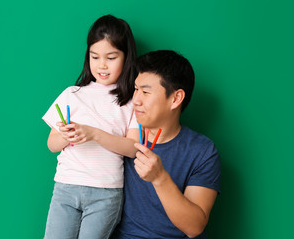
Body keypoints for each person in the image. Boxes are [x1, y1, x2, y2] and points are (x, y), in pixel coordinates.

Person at [42, 15, 139, 239]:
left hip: (106, 193)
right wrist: (66, 136)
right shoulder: (72, 94)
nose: (102, 65)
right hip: (66, 187)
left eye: (111, 57)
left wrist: (94, 133)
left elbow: (133, 148)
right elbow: (51, 144)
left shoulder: (130, 101)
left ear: (126, 58)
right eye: (95, 57)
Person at [113, 50, 221, 239]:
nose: (136, 99)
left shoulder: (202, 151)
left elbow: (194, 227)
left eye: (145, 92)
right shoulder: (121, 138)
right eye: (136, 89)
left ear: (176, 99)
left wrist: (160, 178)